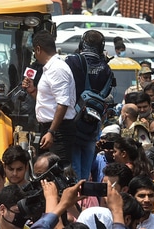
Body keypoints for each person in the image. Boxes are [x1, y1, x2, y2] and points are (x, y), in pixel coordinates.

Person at [65, 30, 114, 180]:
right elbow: (106, 95)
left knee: (73, 169)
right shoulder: (106, 69)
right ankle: (85, 198)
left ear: (82, 44)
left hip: (72, 122)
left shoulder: (72, 61)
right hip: (94, 123)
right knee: (85, 172)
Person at [22, 30, 76, 164]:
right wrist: (33, 91)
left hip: (59, 131)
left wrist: (52, 131)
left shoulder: (57, 69)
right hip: (49, 128)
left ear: (38, 49)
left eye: (34, 51)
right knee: (45, 171)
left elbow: (63, 103)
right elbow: (49, 102)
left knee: (57, 172)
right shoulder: (49, 68)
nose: (35, 56)